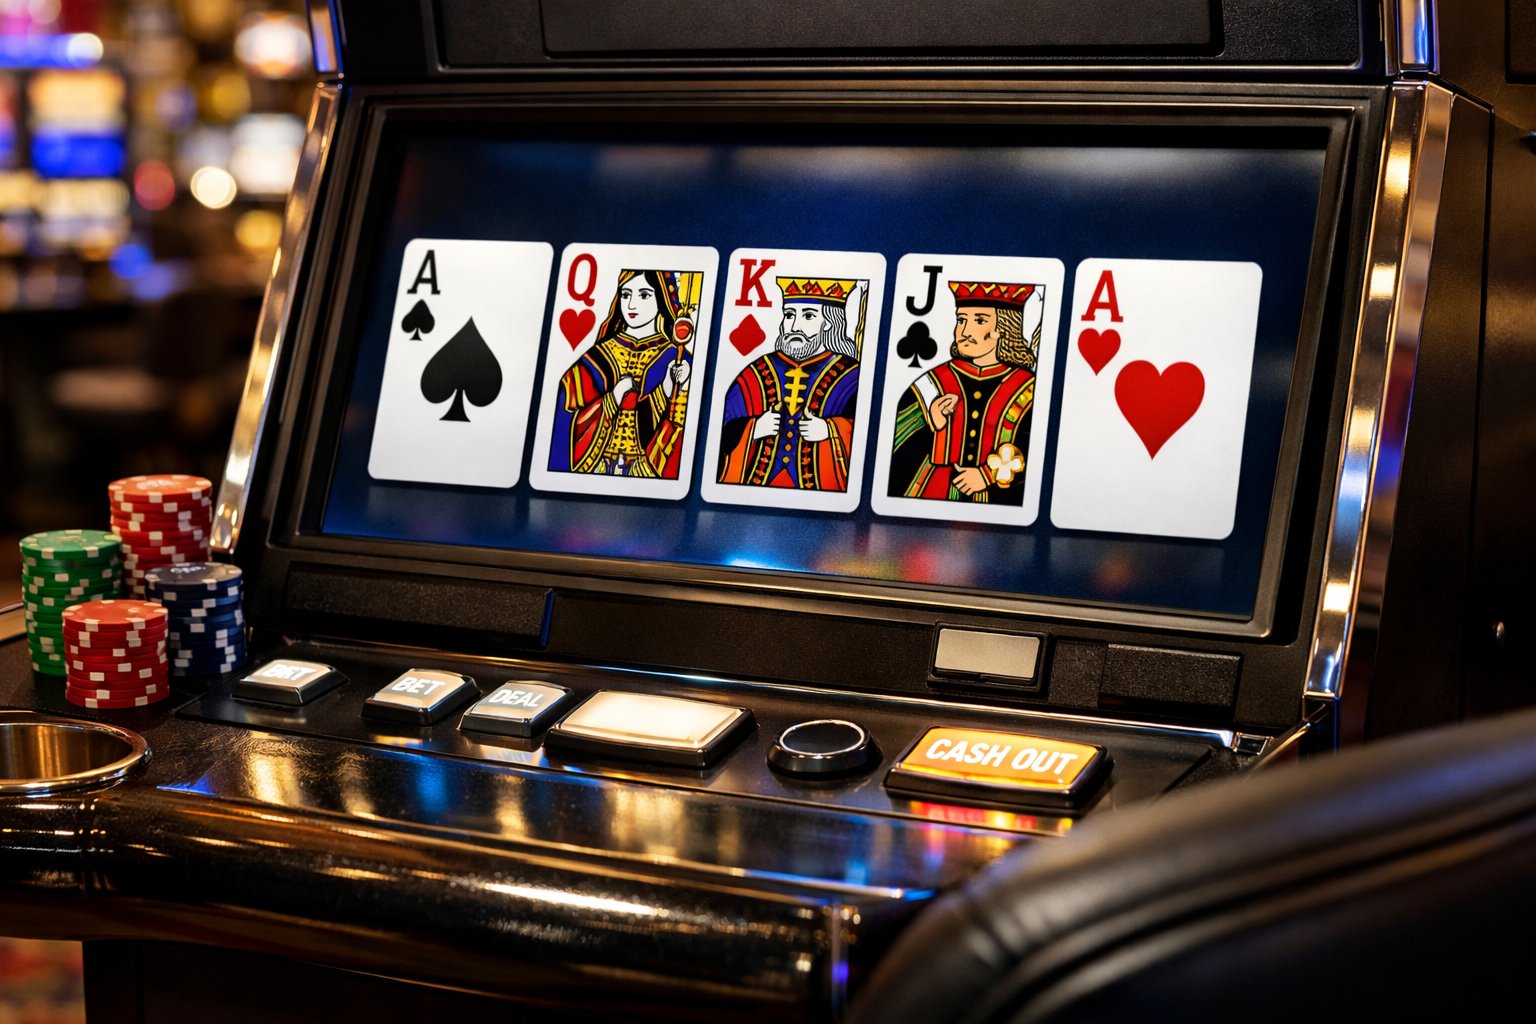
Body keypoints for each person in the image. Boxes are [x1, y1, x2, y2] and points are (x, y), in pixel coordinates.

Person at [887, 280, 1038, 505]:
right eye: (961, 320)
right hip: (931, 494)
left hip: (999, 504)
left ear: (1003, 328)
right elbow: (891, 448)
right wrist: (931, 422)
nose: (964, 331)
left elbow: (1041, 455)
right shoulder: (931, 382)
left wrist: (987, 475)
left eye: (979, 320)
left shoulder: (1029, 388)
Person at [717, 276, 862, 490]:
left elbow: (870, 441)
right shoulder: (755, 372)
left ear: (829, 322)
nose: (794, 326)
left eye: (809, 316)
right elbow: (721, 430)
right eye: (789, 315)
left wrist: (830, 430)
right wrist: (754, 428)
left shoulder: (853, 376)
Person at [551, 269, 692, 478]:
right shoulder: (599, 354)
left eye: (644, 295)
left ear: (661, 298)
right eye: (626, 295)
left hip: (646, 469)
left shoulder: (673, 355)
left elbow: (680, 427)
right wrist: (614, 397)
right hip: (597, 466)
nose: (632, 305)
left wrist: (668, 388)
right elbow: (564, 409)